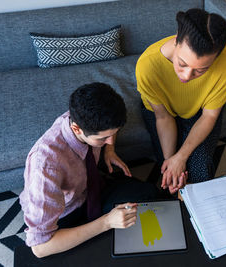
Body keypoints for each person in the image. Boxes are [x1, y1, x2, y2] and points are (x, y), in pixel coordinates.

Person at [19, 83, 157, 258]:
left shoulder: (86, 119)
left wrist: (109, 150)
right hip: (65, 214)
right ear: (76, 128)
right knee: (102, 252)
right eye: (102, 138)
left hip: (92, 189)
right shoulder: (45, 166)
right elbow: (40, 248)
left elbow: (109, 132)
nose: (109, 140)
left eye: (112, 134)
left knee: (147, 194)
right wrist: (106, 222)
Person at [136, 8, 226, 194]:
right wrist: (172, 161)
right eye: (182, 63)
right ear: (176, 41)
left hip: (201, 112)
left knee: (200, 171)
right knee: (170, 173)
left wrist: (182, 157)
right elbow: (163, 118)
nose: (187, 75)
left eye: (201, 70)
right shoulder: (147, 65)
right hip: (161, 113)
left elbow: (209, 116)